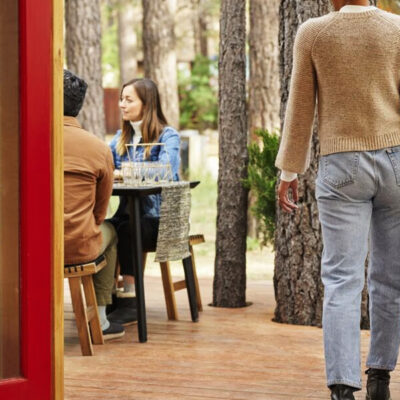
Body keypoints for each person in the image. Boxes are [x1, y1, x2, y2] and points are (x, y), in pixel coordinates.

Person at [275, 1, 400, 399]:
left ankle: (343, 389)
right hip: (397, 162)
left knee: (342, 280)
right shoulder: (397, 29)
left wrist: (289, 170)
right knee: (391, 279)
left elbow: (300, 106)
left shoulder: (314, 32)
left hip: (341, 165)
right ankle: (379, 378)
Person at [107, 78, 181, 325]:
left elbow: (167, 170)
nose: (122, 104)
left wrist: (126, 170)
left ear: (147, 104)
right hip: (128, 218)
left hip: (160, 222)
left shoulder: (168, 136)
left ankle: (130, 300)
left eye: (129, 100)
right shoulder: (120, 138)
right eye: (121, 99)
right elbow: (105, 168)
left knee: (128, 229)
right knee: (106, 229)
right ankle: (108, 297)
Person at [63, 69, 125, 340]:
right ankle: (100, 319)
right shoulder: (98, 148)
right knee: (110, 231)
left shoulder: (25, 141)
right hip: (77, 248)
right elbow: (100, 212)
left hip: (29, 250)